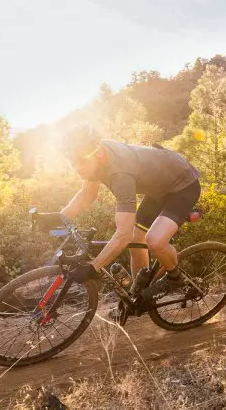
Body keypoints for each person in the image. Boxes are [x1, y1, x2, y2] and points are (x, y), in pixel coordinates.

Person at [58, 123, 200, 301]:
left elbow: (123, 234)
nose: (77, 167)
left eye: (82, 161)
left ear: (97, 154)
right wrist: (58, 219)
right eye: (72, 161)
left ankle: (175, 278)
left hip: (183, 185)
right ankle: (139, 295)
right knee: (136, 239)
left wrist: (94, 267)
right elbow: (87, 195)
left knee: (154, 240)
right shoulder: (96, 158)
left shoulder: (119, 175)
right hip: (158, 188)